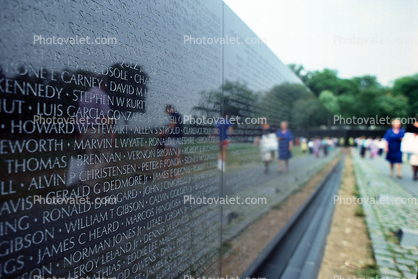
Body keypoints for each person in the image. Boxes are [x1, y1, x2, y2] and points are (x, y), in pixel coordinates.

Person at [406, 114, 418, 180]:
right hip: (414, 145)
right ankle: (414, 174)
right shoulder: (411, 126)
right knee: (414, 160)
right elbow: (407, 135)